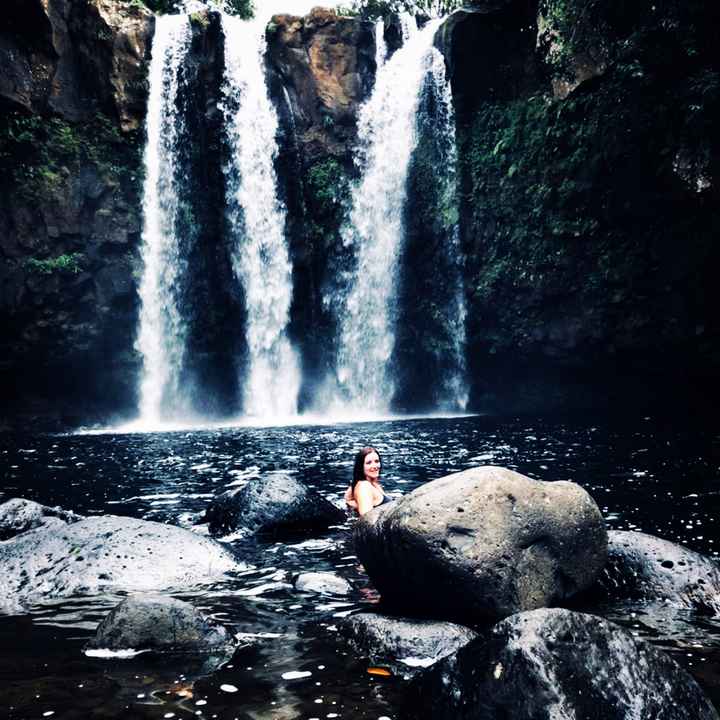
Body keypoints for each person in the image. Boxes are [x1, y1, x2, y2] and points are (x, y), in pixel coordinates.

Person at [344, 446, 391, 516]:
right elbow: (367, 519)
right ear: (361, 467)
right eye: (369, 463)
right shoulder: (364, 486)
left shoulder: (373, 483)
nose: (375, 466)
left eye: (377, 461)